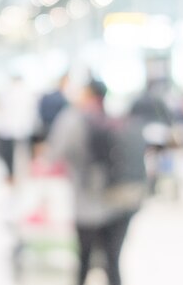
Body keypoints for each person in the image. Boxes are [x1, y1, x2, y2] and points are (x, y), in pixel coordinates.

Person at [49, 80, 142, 285]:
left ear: (87, 94)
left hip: (87, 202)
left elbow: (56, 153)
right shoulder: (116, 117)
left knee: (84, 260)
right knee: (113, 262)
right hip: (120, 199)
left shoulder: (73, 118)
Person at [0, 74, 38, 184]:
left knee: (10, 154)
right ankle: (23, 173)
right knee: (23, 153)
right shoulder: (26, 93)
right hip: (21, 128)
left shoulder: (8, 92)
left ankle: (12, 174)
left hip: (10, 129)